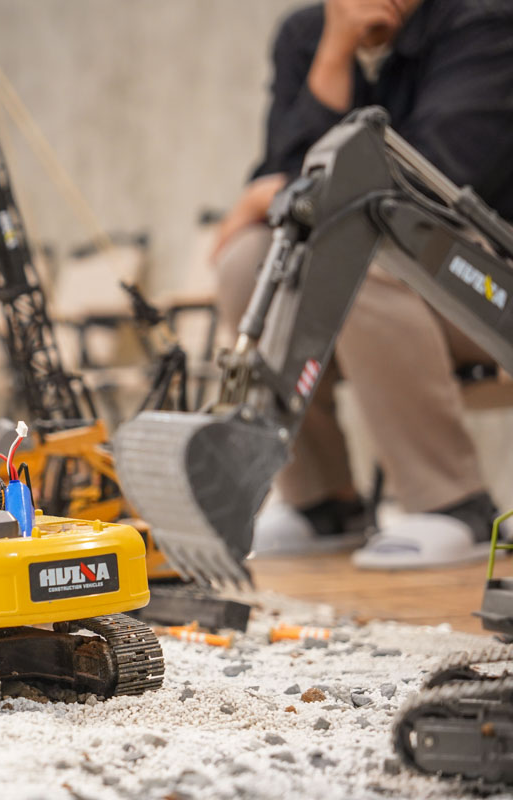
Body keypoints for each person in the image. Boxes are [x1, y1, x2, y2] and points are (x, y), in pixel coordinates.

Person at [214, 0, 513, 568]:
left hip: (483, 285)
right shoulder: (305, 34)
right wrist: (334, 51)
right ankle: (323, 500)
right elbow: (280, 176)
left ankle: (454, 503)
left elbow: (433, 183)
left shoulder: (484, 20)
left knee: (356, 246)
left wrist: (273, 190)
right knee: (244, 264)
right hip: (392, 281)